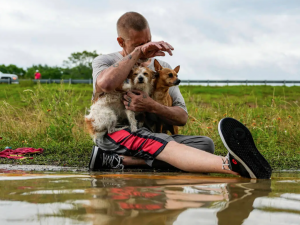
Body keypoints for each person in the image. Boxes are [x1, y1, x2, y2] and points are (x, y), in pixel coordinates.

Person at [88, 12, 272, 179]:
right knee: (163, 141)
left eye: (148, 42)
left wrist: (151, 105)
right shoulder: (105, 61)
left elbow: (181, 118)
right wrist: (137, 54)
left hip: (151, 137)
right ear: (121, 42)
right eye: (138, 45)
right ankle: (231, 164)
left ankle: (118, 160)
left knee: (205, 145)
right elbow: (105, 84)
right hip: (116, 133)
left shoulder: (162, 68)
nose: (146, 49)